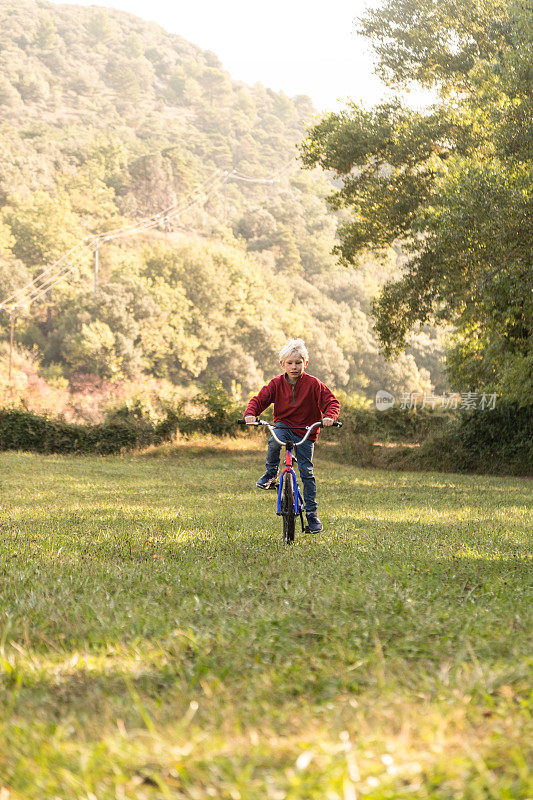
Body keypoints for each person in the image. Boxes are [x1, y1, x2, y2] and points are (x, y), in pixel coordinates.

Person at [243, 338, 340, 533]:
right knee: (273, 441)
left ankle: (312, 514)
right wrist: (250, 414)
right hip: (284, 425)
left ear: (306, 363)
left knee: (307, 472)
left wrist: (329, 416)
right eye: (290, 363)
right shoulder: (276, 384)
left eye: (298, 363)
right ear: (282, 364)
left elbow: (331, 402)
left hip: (306, 429)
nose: (294, 367)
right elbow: (259, 400)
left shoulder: (314, 384)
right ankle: (271, 474)